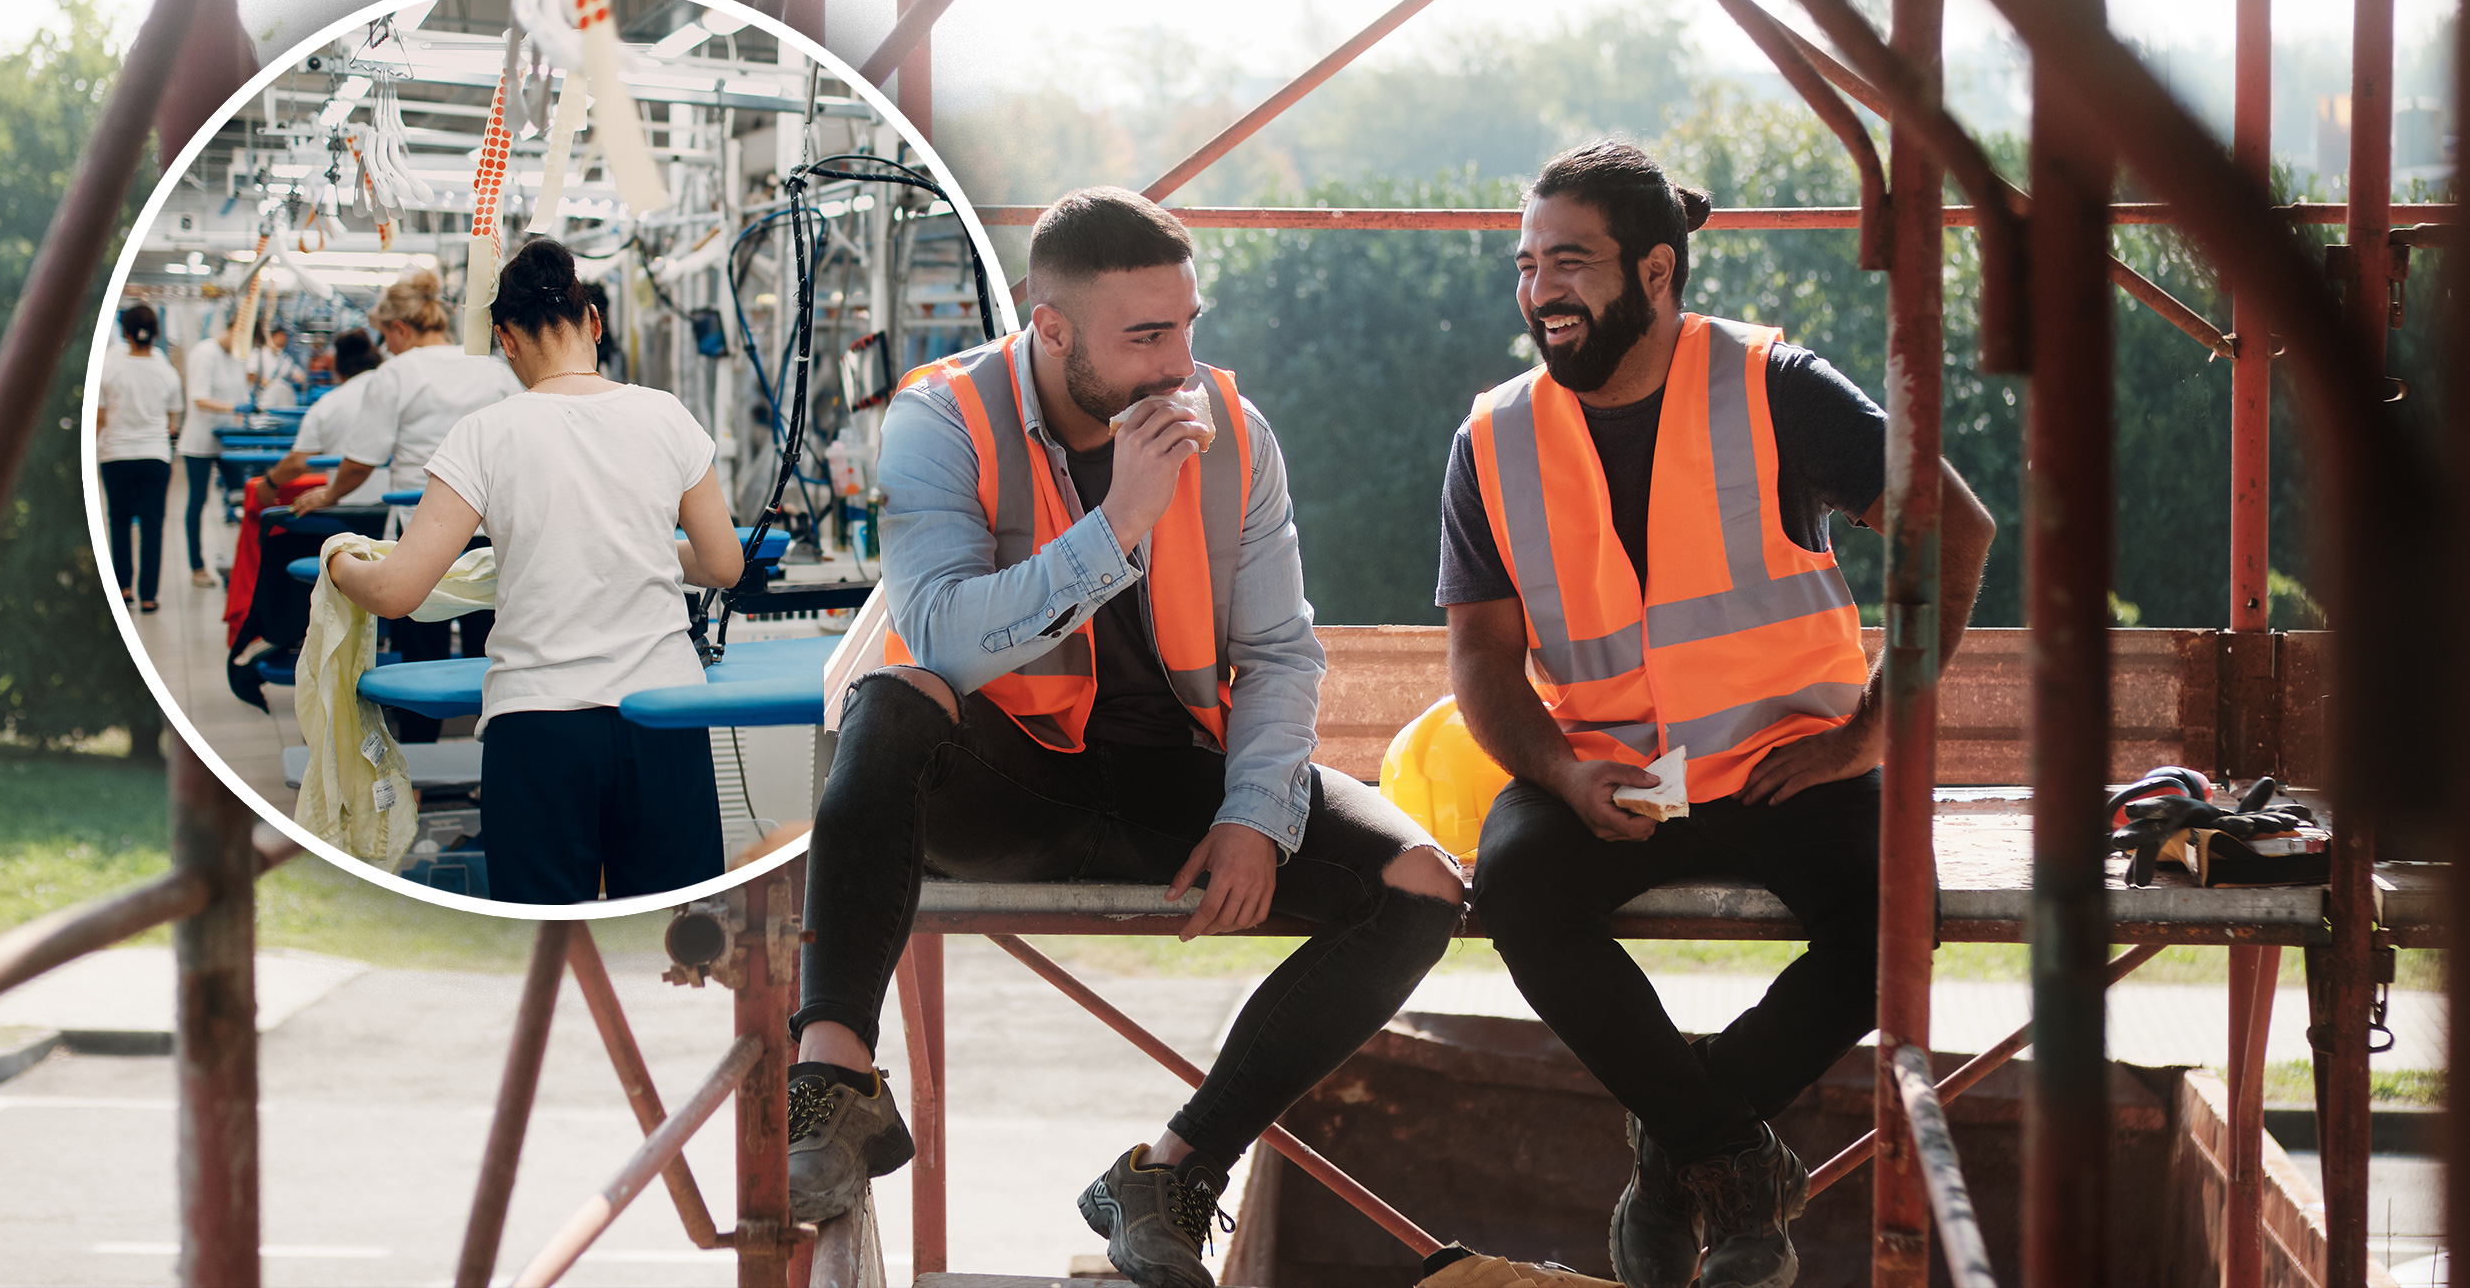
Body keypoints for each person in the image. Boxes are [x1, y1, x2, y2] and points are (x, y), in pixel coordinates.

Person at [784, 188, 1466, 1288]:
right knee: (890, 697)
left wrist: (1254, 813)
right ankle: (833, 1088)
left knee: (1422, 881)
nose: (1175, 362)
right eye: (1143, 335)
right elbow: (944, 637)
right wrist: (1120, 525)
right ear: (1049, 327)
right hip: (1006, 788)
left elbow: (1282, 656)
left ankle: (1173, 1169)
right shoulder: (939, 418)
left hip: (1173, 789)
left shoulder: (1237, 434)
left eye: (1187, 324)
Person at [1442, 141, 1996, 1288]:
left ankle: (1678, 1142)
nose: (1542, 288)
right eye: (1527, 262)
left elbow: (1958, 528)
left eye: (1572, 262)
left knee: (1896, 919)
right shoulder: (1492, 437)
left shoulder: (1771, 384)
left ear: (1653, 271)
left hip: (1792, 756)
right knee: (1516, 887)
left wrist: (1871, 730)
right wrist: (1557, 770)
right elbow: (1483, 657)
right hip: (1607, 765)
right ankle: (1732, 1158)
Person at [326, 238, 746, 904]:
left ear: (506, 341)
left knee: (549, 949)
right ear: (595, 323)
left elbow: (400, 591)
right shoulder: (666, 415)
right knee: (675, 942)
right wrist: (633, 547)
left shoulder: (486, 433)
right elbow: (724, 565)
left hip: (541, 729)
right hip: (665, 717)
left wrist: (341, 564)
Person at [296, 266, 520, 740]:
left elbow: (361, 462)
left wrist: (329, 495)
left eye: (385, 335)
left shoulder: (397, 372)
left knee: (424, 653)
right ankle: (496, 754)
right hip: (491, 530)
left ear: (399, 328)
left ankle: (418, 757)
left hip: (423, 531)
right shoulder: (495, 368)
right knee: (495, 646)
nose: (386, 346)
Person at [97, 304, 185, 614]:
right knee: (152, 526)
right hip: (155, 456)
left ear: (125, 331)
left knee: (120, 523)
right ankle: (149, 596)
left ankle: (123, 589)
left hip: (116, 455)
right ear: (156, 332)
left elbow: (99, 416)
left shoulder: (110, 367)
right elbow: (173, 420)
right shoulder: (166, 371)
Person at [262, 329, 386, 504]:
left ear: (337, 368)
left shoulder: (330, 404)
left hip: (350, 507)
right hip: (401, 507)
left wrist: (269, 482)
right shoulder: (396, 392)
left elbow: (298, 462)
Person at [178, 309, 254, 587]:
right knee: (198, 500)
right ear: (233, 327)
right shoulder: (204, 353)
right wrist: (234, 407)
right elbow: (199, 398)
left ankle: (245, 563)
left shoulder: (237, 357)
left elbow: (241, 393)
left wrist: (245, 414)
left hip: (229, 441)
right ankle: (197, 567)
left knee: (242, 498)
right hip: (199, 440)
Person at [249, 322, 304, 410]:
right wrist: (264, 382)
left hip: (279, 399)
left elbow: (298, 374)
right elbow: (250, 375)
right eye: (279, 338)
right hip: (261, 398)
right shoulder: (258, 354)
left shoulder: (284, 358)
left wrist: (301, 379)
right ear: (271, 337)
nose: (282, 341)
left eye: (284, 339)